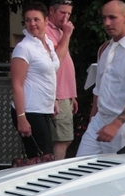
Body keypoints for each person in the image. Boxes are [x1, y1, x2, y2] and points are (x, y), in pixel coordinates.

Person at [76, 0, 125, 156]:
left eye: (112, 17)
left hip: (123, 126)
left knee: (119, 175)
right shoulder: (104, 49)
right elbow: (98, 89)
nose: (107, 23)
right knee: (79, 167)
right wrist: (92, 120)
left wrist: (115, 124)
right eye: (104, 18)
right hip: (99, 121)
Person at [10, 2, 60, 158]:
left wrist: (54, 99)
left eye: (36, 19)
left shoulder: (49, 44)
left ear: (46, 20)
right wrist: (21, 117)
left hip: (43, 109)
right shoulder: (24, 47)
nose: (32, 24)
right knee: (42, 158)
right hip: (30, 110)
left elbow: (48, 74)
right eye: (28, 20)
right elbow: (17, 84)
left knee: (42, 158)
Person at [45, 0, 76, 160]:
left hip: (64, 93)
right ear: (51, 10)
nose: (66, 17)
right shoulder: (46, 31)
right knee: (62, 139)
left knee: (64, 138)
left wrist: (71, 94)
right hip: (56, 93)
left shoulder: (58, 30)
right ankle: (55, 171)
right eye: (62, 12)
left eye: (69, 14)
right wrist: (67, 34)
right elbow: (57, 59)